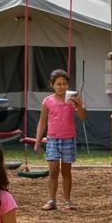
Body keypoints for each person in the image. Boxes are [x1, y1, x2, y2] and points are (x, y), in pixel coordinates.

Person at [34, 68, 87, 212]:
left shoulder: (72, 100)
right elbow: (42, 122)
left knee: (66, 172)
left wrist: (79, 105)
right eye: (58, 84)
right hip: (52, 140)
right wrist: (38, 141)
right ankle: (52, 200)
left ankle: (67, 201)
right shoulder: (47, 101)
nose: (61, 87)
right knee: (53, 171)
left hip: (68, 139)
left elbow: (83, 117)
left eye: (64, 84)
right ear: (52, 85)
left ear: (68, 85)